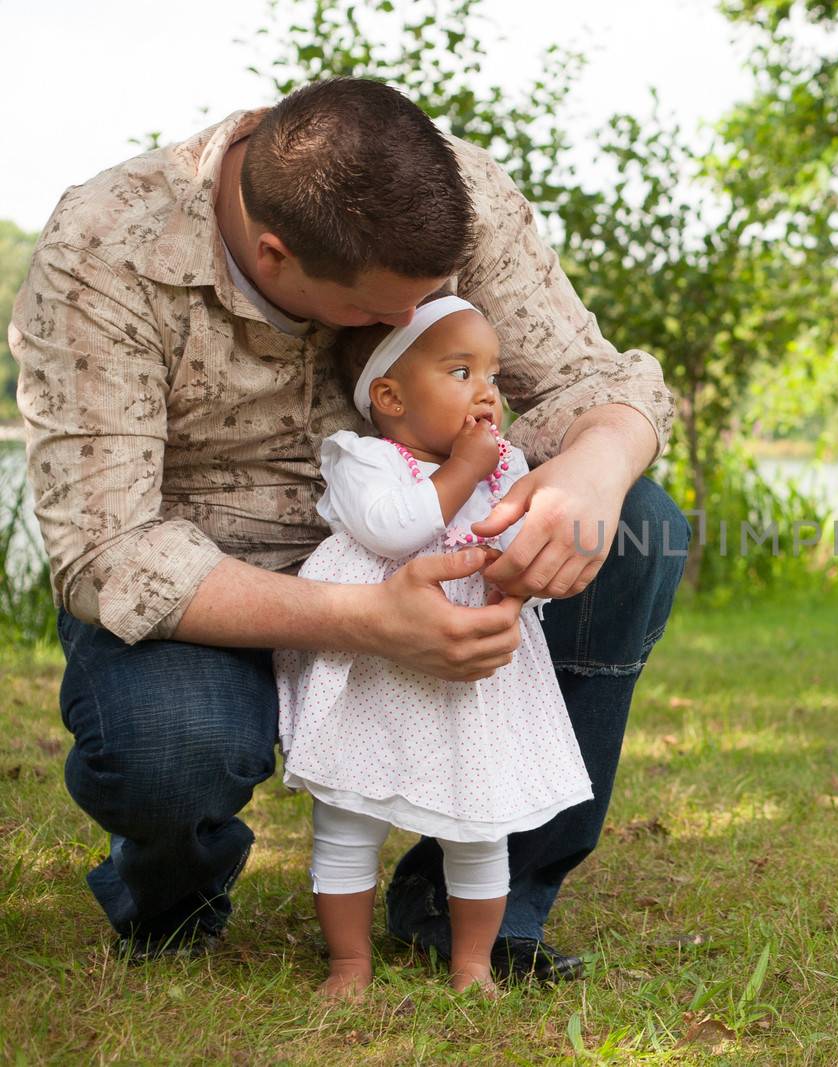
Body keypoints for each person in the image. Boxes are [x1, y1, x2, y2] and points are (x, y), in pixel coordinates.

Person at [11, 78, 689, 979]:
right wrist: (367, 618)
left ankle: (475, 905)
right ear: (275, 253)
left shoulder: (454, 201)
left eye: (427, 302)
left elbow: (597, 383)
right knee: (173, 745)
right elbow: (109, 554)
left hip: (436, 549)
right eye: (380, 316)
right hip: (215, 581)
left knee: (640, 527)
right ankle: (174, 896)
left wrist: (596, 471)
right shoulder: (103, 249)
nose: (409, 327)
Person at [278, 291, 593, 997]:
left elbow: (516, 542)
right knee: (349, 818)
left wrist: (522, 547)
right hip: (375, 671)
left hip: (470, 680)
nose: (486, 391)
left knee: (479, 825)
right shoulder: (363, 459)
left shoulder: (498, 469)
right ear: (389, 395)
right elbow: (397, 529)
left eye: (492, 372)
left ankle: (472, 961)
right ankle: (349, 960)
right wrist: (464, 470)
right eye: (460, 372)